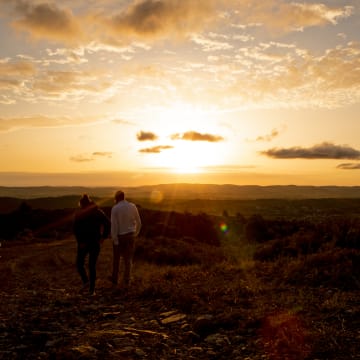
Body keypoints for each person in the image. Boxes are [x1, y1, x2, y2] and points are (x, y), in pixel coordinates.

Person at [73, 194, 110, 296]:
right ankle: (92, 289)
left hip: (83, 243)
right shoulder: (98, 212)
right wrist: (103, 237)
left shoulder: (79, 213)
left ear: (82, 204)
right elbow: (107, 223)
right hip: (95, 242)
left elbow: (76, 229)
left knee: (79, 264)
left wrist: (80, 241)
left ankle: (86, 282)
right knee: (92, 266)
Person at [109, 190, 141, 288]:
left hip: (120, 236)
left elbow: (114, 226)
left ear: (116, 198)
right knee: (128, 259)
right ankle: (127, 281)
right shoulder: (132, 206)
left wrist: (115, 239)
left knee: (116, 259)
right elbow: (139, 222)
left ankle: (115, 279)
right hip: (130, 235)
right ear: (124, 197)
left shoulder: (115, 208)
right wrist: (135, 234)